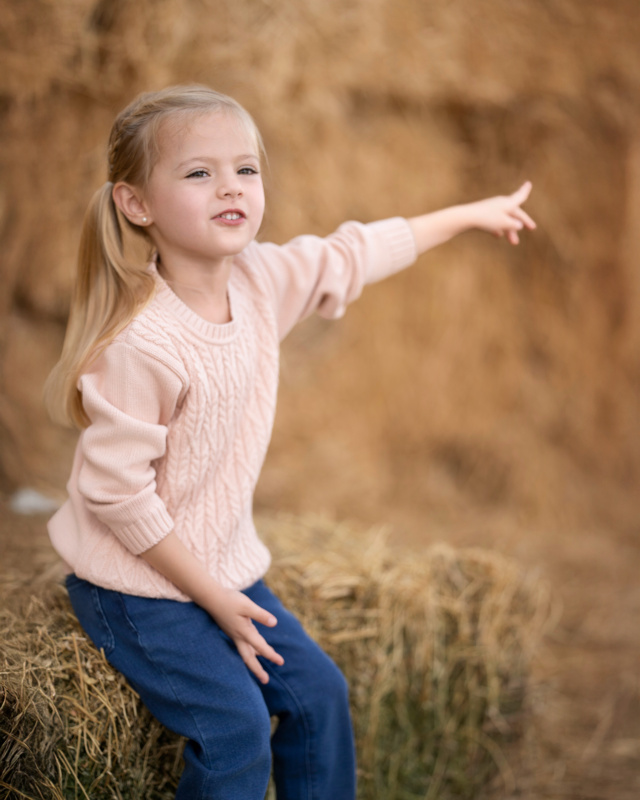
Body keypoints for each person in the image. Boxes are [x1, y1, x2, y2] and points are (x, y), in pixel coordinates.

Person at [45, 84, 536, 800]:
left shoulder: (259, 280)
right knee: (236, 731)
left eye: (246, 169)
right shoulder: (141, 345)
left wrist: (467, 215)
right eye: (198, 173)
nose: (230, 187)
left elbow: (353, 252)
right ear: (136, 204)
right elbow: (117, 494)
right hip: (137, 587)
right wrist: (214, 599)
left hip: (222, 567)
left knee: (320, 696)